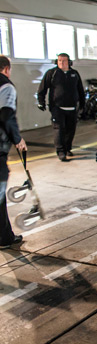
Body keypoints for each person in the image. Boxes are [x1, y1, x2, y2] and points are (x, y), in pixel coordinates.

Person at [37, 53, 85, 162]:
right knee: (59, 129)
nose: (62, 63)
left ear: (69, 62)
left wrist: (82, 104)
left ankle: (68, 148)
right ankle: (61, 151)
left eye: (64, 61)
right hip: (57, 108)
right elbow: (42, 89)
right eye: (59, 61)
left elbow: (80, 90)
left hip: (72, 108)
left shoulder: (74, 74)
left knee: (70, 130)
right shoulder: (52, 73)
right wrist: (41, 102)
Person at [0, 55, 26, 248]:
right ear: (7, 69)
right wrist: (18, 139)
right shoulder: (6, 86)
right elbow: (7, 116)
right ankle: (4, 238)